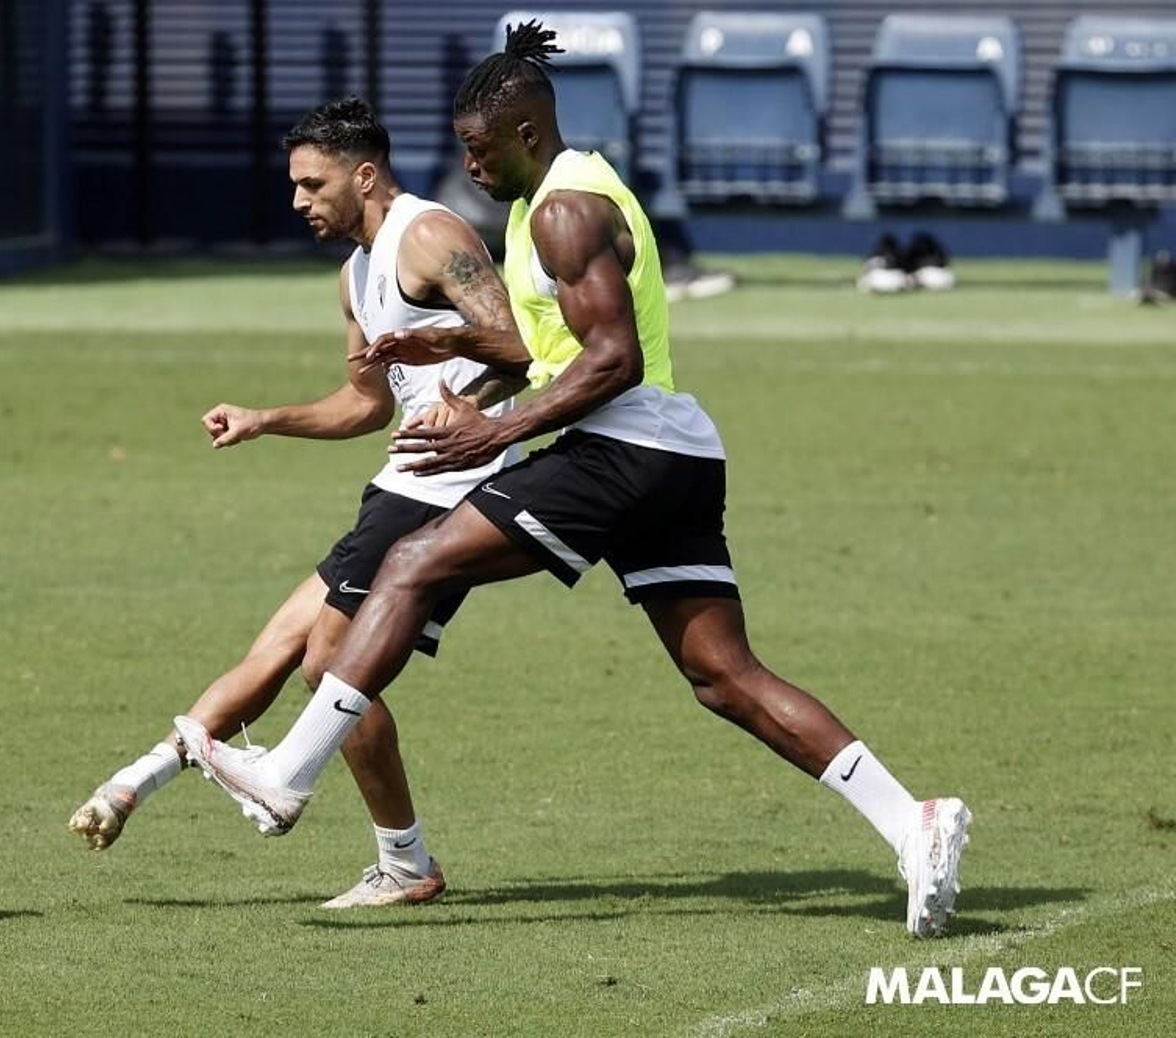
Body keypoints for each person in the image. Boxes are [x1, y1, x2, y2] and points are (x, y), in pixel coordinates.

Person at [176, 24, 972, 939]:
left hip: (622, 449)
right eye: (463, 150)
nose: (468, 167)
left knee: (415, 562)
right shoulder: (542, 207)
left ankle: (290, 774)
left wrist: (495, 429)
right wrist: (455, 344)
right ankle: (913, 823)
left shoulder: (562, 210)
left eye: (479, 150)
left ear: (526, 132)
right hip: (674, 453)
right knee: (723, 675)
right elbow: (554, 345)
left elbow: (613, 361)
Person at [69, 97, 527, 909]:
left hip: (455, 482)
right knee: (283, 644)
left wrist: (473, 403)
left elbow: (516, 346)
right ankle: (129, 786)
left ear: (364, 173)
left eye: (312, 184)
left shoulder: (430, 236)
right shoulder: (354, 277)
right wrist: (265, 419)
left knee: (327, 665)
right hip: (401, 484)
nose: (298, 201)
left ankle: (397, 857)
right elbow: (367, 406)